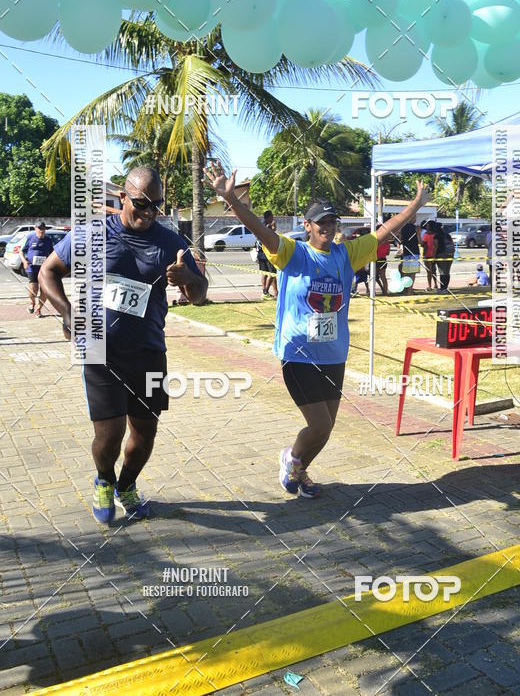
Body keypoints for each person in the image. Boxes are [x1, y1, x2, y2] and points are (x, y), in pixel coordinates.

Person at [204, 161, 429, 498]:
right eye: (321, 222)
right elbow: (259, 230)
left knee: (327, 429)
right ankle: (291, 458)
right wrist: (232, 201)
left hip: (333, 355)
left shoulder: (347, 253)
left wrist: (417, 204)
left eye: (331, 221)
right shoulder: (294, 254)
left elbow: (387, 230)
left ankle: (297, 469)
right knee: (320, 425)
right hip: (298, 353)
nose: (327, 226)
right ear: (307, 225)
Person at [39, 167, 208, 524]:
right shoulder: (92, 234)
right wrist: (67, 313)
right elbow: (47, 272)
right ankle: (104, 479)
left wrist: (189, 278)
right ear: (122, 198)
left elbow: (199, 296)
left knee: (145, 432)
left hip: (148, 353)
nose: (149, 213)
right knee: (110, 432)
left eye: (156, 206)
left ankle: (126, 485)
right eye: (142, 204)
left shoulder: (171, 243)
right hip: (100, 349)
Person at [20, 221, 54, 316]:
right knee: (33, 289)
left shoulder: (48, 240)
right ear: (35, 229)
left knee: (45, 290)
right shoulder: (30, 238)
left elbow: (52, 253)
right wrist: (24, 261)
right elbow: (21, 251)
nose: (42, 231)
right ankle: (32, 302)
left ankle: (38, 309)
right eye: (40, 229)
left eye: (43, 229)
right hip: (32, 267)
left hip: (44, 268)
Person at [394, 221, 421, 294]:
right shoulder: (415, 228)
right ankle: (409, 290)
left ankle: (405, 289)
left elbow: (399, 241)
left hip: (406, 253)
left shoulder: (403, 229)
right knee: (412, 272)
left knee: (406, 272)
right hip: (414, 252)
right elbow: (420, 242)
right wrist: (418, 233)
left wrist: (399, 234)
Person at [257, 210, 278, 299]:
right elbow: (271, 236)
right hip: (267, 253)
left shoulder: (260, 225)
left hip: (260, 253)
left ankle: (265, 292)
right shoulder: (267, 226)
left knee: (264, 273)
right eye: (272, 216)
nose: (273, 218)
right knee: (272, 273)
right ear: (269, 217)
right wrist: (273, 228)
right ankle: (265, 292)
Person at [433, 222, 454, 293]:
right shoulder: (447, 235)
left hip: (441, 255)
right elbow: (452, 244)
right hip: (450, 255)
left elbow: (435, 247)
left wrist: (434, 256)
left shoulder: (436, 236)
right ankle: (446, 287)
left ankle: (442, 288)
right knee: (447, 272)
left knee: (442, 272)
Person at [422, 221, 438, 290]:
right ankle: (435, 284)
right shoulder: (436, 234)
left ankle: (430, 285)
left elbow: (424, 245)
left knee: (429, 271)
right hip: (433, 255)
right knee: (433, 270)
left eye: (428, 225)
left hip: (428, 255)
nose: (426, 226)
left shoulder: (426, 235)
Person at [375, 226, 391, 295]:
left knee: (374, 276)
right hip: (383, 259)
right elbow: (388, 253)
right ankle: (385, 290)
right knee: (383, 277)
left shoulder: (377, 241)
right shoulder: (387, 242)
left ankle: (381, 289)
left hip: (376, 259)